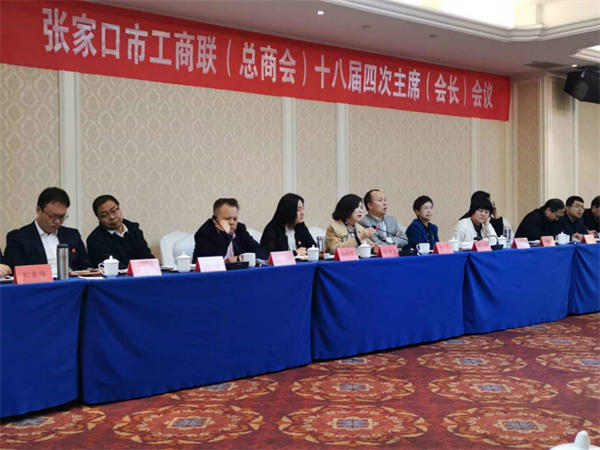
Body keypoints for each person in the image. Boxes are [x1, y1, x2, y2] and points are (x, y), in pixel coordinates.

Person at [3, 187, 89, 273]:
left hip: (72, 280)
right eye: (53, 216)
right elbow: (16, 271)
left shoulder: (72, 235)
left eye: (62, 217)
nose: (57, 221)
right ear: (38, 210)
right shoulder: (18, 237)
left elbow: (86, 266)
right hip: (39, 281)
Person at [86, 195, 154, 269]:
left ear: (119, 208)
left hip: (143, 273)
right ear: (98, 218)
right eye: (104, 215)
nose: (112, 217)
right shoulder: (95, 240)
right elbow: (110, 267)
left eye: (114, 211)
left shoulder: (134, 230)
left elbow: (148, 258)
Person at [193, 198, 268, 262]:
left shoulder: (240, 229)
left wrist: (240, 258)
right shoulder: (204, 233)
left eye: (235, 219)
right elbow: (212, 262)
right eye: (227, 218)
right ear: (215, 220)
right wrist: (225, 235)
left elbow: (262, 253)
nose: (232, 222)